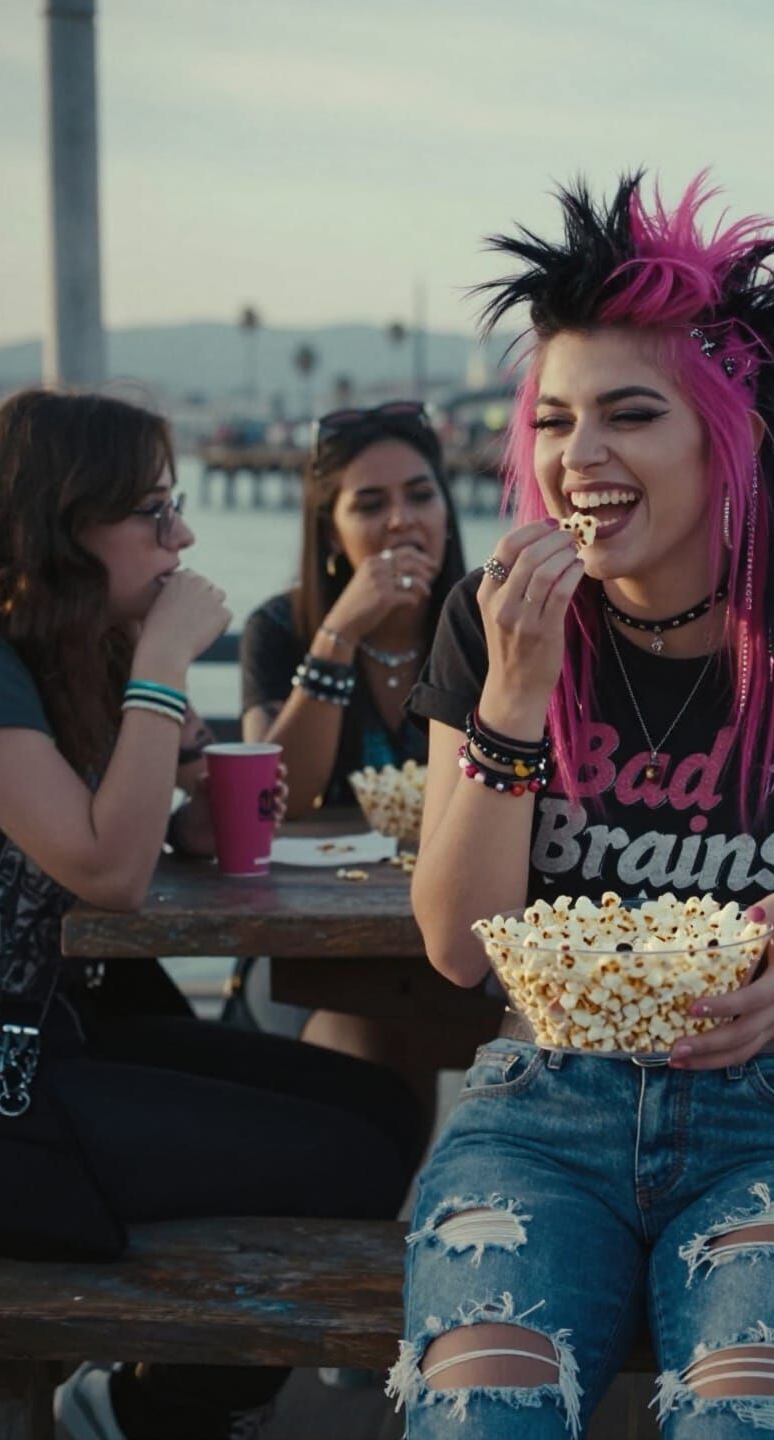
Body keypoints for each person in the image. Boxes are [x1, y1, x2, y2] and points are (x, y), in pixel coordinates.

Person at [389, 173, 774, 1439]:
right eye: (551, 420)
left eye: (629, 416)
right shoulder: (493, 625)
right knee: (482, 1417)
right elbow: (455, 945)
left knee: (750, 1419)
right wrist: (516, 695)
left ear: (731, 432)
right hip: (538, 1113)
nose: (575, 459)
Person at [0, 390, 427, 1440]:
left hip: (51, 1030)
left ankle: (145, 1385)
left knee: (386, 1112)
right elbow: (108, 872)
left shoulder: (58, 650)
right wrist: (164, 663)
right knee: (351, 1164)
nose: (185, 536)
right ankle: (142, 1404)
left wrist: (201, 796)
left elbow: (161, 842)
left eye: (181, 507)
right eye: (154, 513)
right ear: (67, 524)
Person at [234, 401, 466, 1075]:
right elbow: (277, 801)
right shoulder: (281, 628)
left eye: (421, 495)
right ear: (332, 535)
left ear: (447, 514)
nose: (401, 519)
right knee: (365, 1048)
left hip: (451, 944)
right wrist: (339, 636)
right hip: (311, 951)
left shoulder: (485, 629)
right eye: (369, 505)